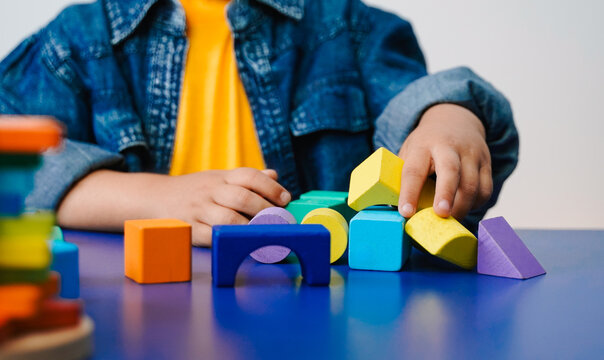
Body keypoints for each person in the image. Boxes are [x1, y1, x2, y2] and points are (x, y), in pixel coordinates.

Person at [0, 0, 518, 246]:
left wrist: (448, 116)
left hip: (315, 305)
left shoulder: (348, 27)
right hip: (138, 302)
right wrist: (153, 197)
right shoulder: (74, 39)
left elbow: (415, 101)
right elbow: (11, 161)